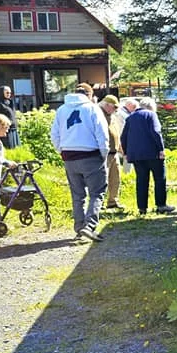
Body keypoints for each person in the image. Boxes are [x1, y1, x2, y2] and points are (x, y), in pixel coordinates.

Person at [50, 82, 109, 242]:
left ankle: (79, 227)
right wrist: (103, 155)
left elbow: (54, 134)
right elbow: (102, 134)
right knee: (97, 192)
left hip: (69, 156)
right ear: (89, 95)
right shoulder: (92, 108)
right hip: (90, 155)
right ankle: (89, 226)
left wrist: (62, 151)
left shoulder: (61, 110)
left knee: (77, 195)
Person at [120, 97, 175, 216]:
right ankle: (161, 205)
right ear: (151, 107)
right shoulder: (151, 115)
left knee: (141, 180)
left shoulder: (130, 117)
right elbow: (156, 132)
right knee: (159, 179)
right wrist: (161, 149)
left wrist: (126, 152)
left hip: (136, 155)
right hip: (153, 153)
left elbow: (123, 137)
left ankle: (142, 208)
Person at [99, 95, 124, 210]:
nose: (115, 110)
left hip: (114, 153)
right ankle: (99, 203)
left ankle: (113, 201)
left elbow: (116, 133)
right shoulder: (98, 114)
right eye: (114, 107)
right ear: (107, 105)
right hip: (103, 153)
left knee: (116, 178)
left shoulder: (112, 116)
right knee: (102, 179)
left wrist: (120, 148)